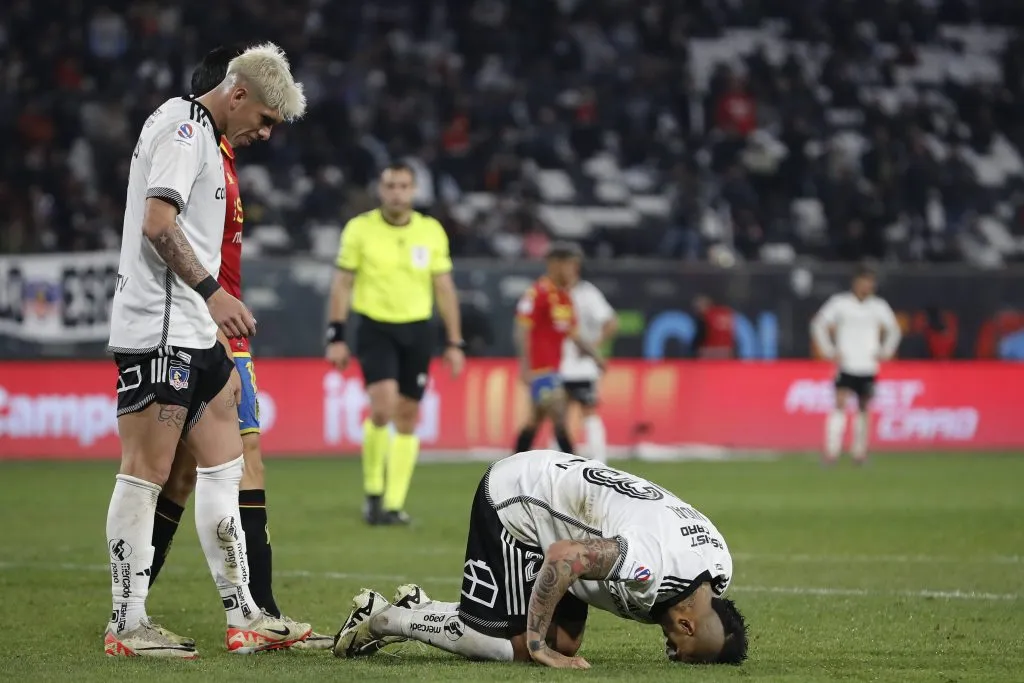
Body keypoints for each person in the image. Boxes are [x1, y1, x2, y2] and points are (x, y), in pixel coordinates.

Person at [104, 42, 310, 658]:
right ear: (239, 92)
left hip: (198, 335)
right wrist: (214, 294)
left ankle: (244, 613)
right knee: (146, 472)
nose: (267, 133)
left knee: (224, 467)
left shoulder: (206, 140)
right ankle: (127, 622)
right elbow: (158, 223)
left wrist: (211, 313)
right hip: (159, 328)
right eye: (266, 119)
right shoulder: (182, 125)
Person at [332, 450, 748, 669]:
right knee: (515, 648)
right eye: (683, 653)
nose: (673, 655)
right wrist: (536, 646)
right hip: (519, 501)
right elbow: (565, 558)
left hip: (567, 503)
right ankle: (386, 618)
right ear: (688, 624)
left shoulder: (717, 566)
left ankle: (418, 606)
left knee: (564, 643)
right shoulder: (651, 567)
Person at [325, 162, 465, 526]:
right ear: (380, 189)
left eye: (404, 186)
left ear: (414, 191)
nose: (397, 193)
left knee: (408, 414)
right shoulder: (360, 228)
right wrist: (336, 335)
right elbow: (342, 283)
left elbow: (444, 288)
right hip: (375, 327)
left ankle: (393, 504)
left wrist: (454, 342)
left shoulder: (431, 231)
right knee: (383, 406)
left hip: (418, 329)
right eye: (391, 186)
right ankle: (373, 492)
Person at [513, 243, 604, 456]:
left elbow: (575, 335)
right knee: (560, 417)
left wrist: (595, 356)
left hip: (554, 369)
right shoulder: (538, 293)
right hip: (539, 370)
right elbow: (521, 330)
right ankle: (578, 468)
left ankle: (510, 465)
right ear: (555, 265)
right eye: (571, 265)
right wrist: (525, 366)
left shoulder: (564, 298)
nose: (574, 270)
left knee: (533, 422)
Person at [810, 265, 901, 465]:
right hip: (847, 363)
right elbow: (818, 324)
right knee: (840, 402)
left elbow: (894, 330)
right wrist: (829, 351)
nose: (867, 286)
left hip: (867, 364)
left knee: (863, 406)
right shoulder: (840, 303)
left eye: (870, 282)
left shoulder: (879, 306)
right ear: (855, 282)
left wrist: (885, 351)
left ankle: (859, 453)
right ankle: (831, 451)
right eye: (864, 281)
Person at [559, 259, 617, 462]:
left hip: (582, 366)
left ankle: (598, 460)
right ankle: (562, 461)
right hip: (557, 364)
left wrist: (594, 346)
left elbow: (611, 322)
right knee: (558, 414)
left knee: (588, 410)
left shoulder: (587, 293)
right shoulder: (553, 293)